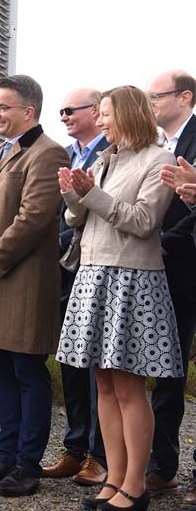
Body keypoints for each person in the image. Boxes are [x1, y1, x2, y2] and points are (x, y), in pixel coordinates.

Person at [57, 85, 182, 511]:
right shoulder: (106, 159)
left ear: (126, 115)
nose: (101, 121)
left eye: (106, 114)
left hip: (132, 281)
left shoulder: (158, 160)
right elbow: (80, 217)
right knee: (104, 385)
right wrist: (74, 193)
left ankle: (135, 486)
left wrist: (91, 194)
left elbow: (145, 222)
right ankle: (113, 479)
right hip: (94, 275)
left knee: (129, 387)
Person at [0, 74, 69, 497]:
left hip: (22, 282)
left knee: (26, 372)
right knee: (2, 373)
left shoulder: (48, 153)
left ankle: (27, 465)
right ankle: (5, 457)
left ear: (29, 111)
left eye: (2, 107)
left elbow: (32, 220)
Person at [42, 88, 109, 485]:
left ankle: (100, 456)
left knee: (100, 368)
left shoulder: (110, 153)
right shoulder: (66, 156)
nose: (64, 116)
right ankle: (76, 447)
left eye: (71, 110)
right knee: (71, 360)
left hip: (100, 268)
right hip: (66, 270)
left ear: (96, 111)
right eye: (61, 111)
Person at [143, 70, 196, 500]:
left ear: (185, 96)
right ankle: (162, 465)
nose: (150, 101)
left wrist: (161, 243)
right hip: (165, 273)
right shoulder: (157, 148)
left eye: (156, 95)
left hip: (185, 260)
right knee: (167, 370)